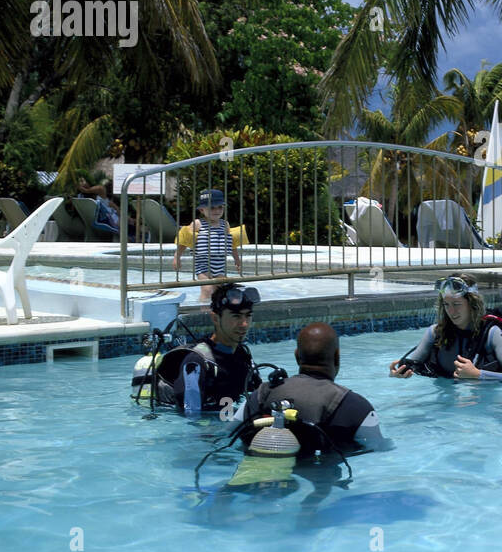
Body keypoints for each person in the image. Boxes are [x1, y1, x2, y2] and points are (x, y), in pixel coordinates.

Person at [239, 322, 388, 455]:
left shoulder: (261, 394)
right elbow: (379, 449)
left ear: (297, 357)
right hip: (322, 482)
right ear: (336, 357)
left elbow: (227, 434)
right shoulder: (357, 408)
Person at [389, 274, 502, 380]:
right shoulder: (435, 333)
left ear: (472, 304)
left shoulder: (491, 334)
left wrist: (478, 374)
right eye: (446, 304)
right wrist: (398, 373)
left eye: (457, 304)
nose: (451, 311)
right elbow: (413, 364)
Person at [153, 283, 261, 414]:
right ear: (215, 318)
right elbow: (191, 417)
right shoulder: (197, 362)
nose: (244, 324)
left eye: (248, 316)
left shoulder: (243, 356)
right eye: (236, 316)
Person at [174, 188, 243, 302]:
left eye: (220, 207)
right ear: (202, 209)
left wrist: (237, 260)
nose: (217, 210)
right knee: (207, 289)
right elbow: (184, 241)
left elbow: (232, 244)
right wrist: (177, 257)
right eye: (212, 207)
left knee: (219, 291)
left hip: (220, 265)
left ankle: (215, 312)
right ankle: (202, 310)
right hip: (203, 265)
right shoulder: (198, 224)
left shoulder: (225, 224)